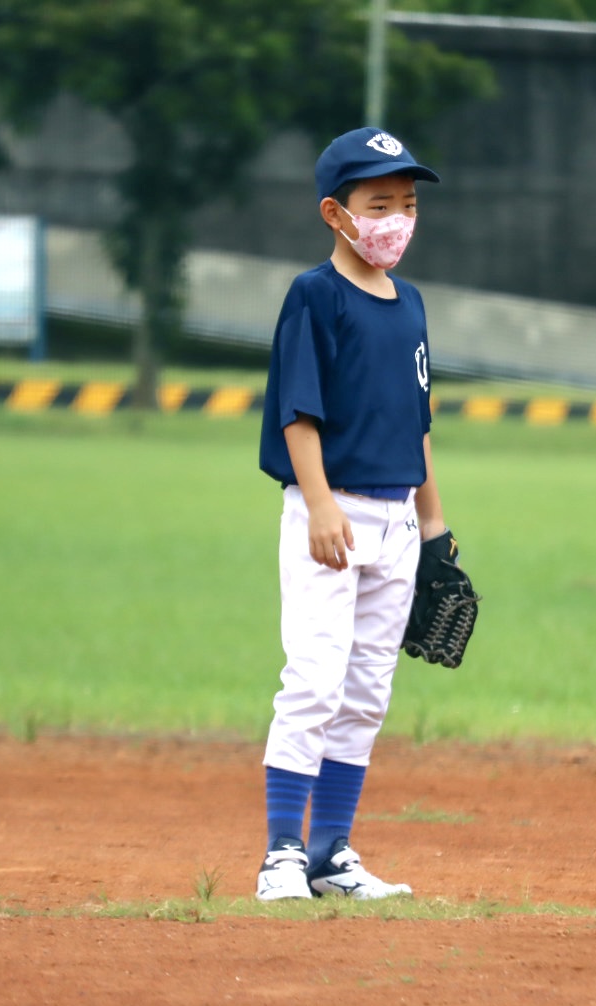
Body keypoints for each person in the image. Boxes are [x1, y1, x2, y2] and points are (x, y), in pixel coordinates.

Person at [253, 127, 452, 901]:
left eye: (408, 204)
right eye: (379, 204)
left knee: (367, 688)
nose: (397, 219)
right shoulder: (316, 296)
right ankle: (280, 854)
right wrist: (318, 505)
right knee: (314, 678)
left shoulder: (412, 305)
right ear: (335, 214)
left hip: (396, 520)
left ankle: (331, 854)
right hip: (330, 513)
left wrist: (434, 531)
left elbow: (419, 424)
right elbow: (297, 413)